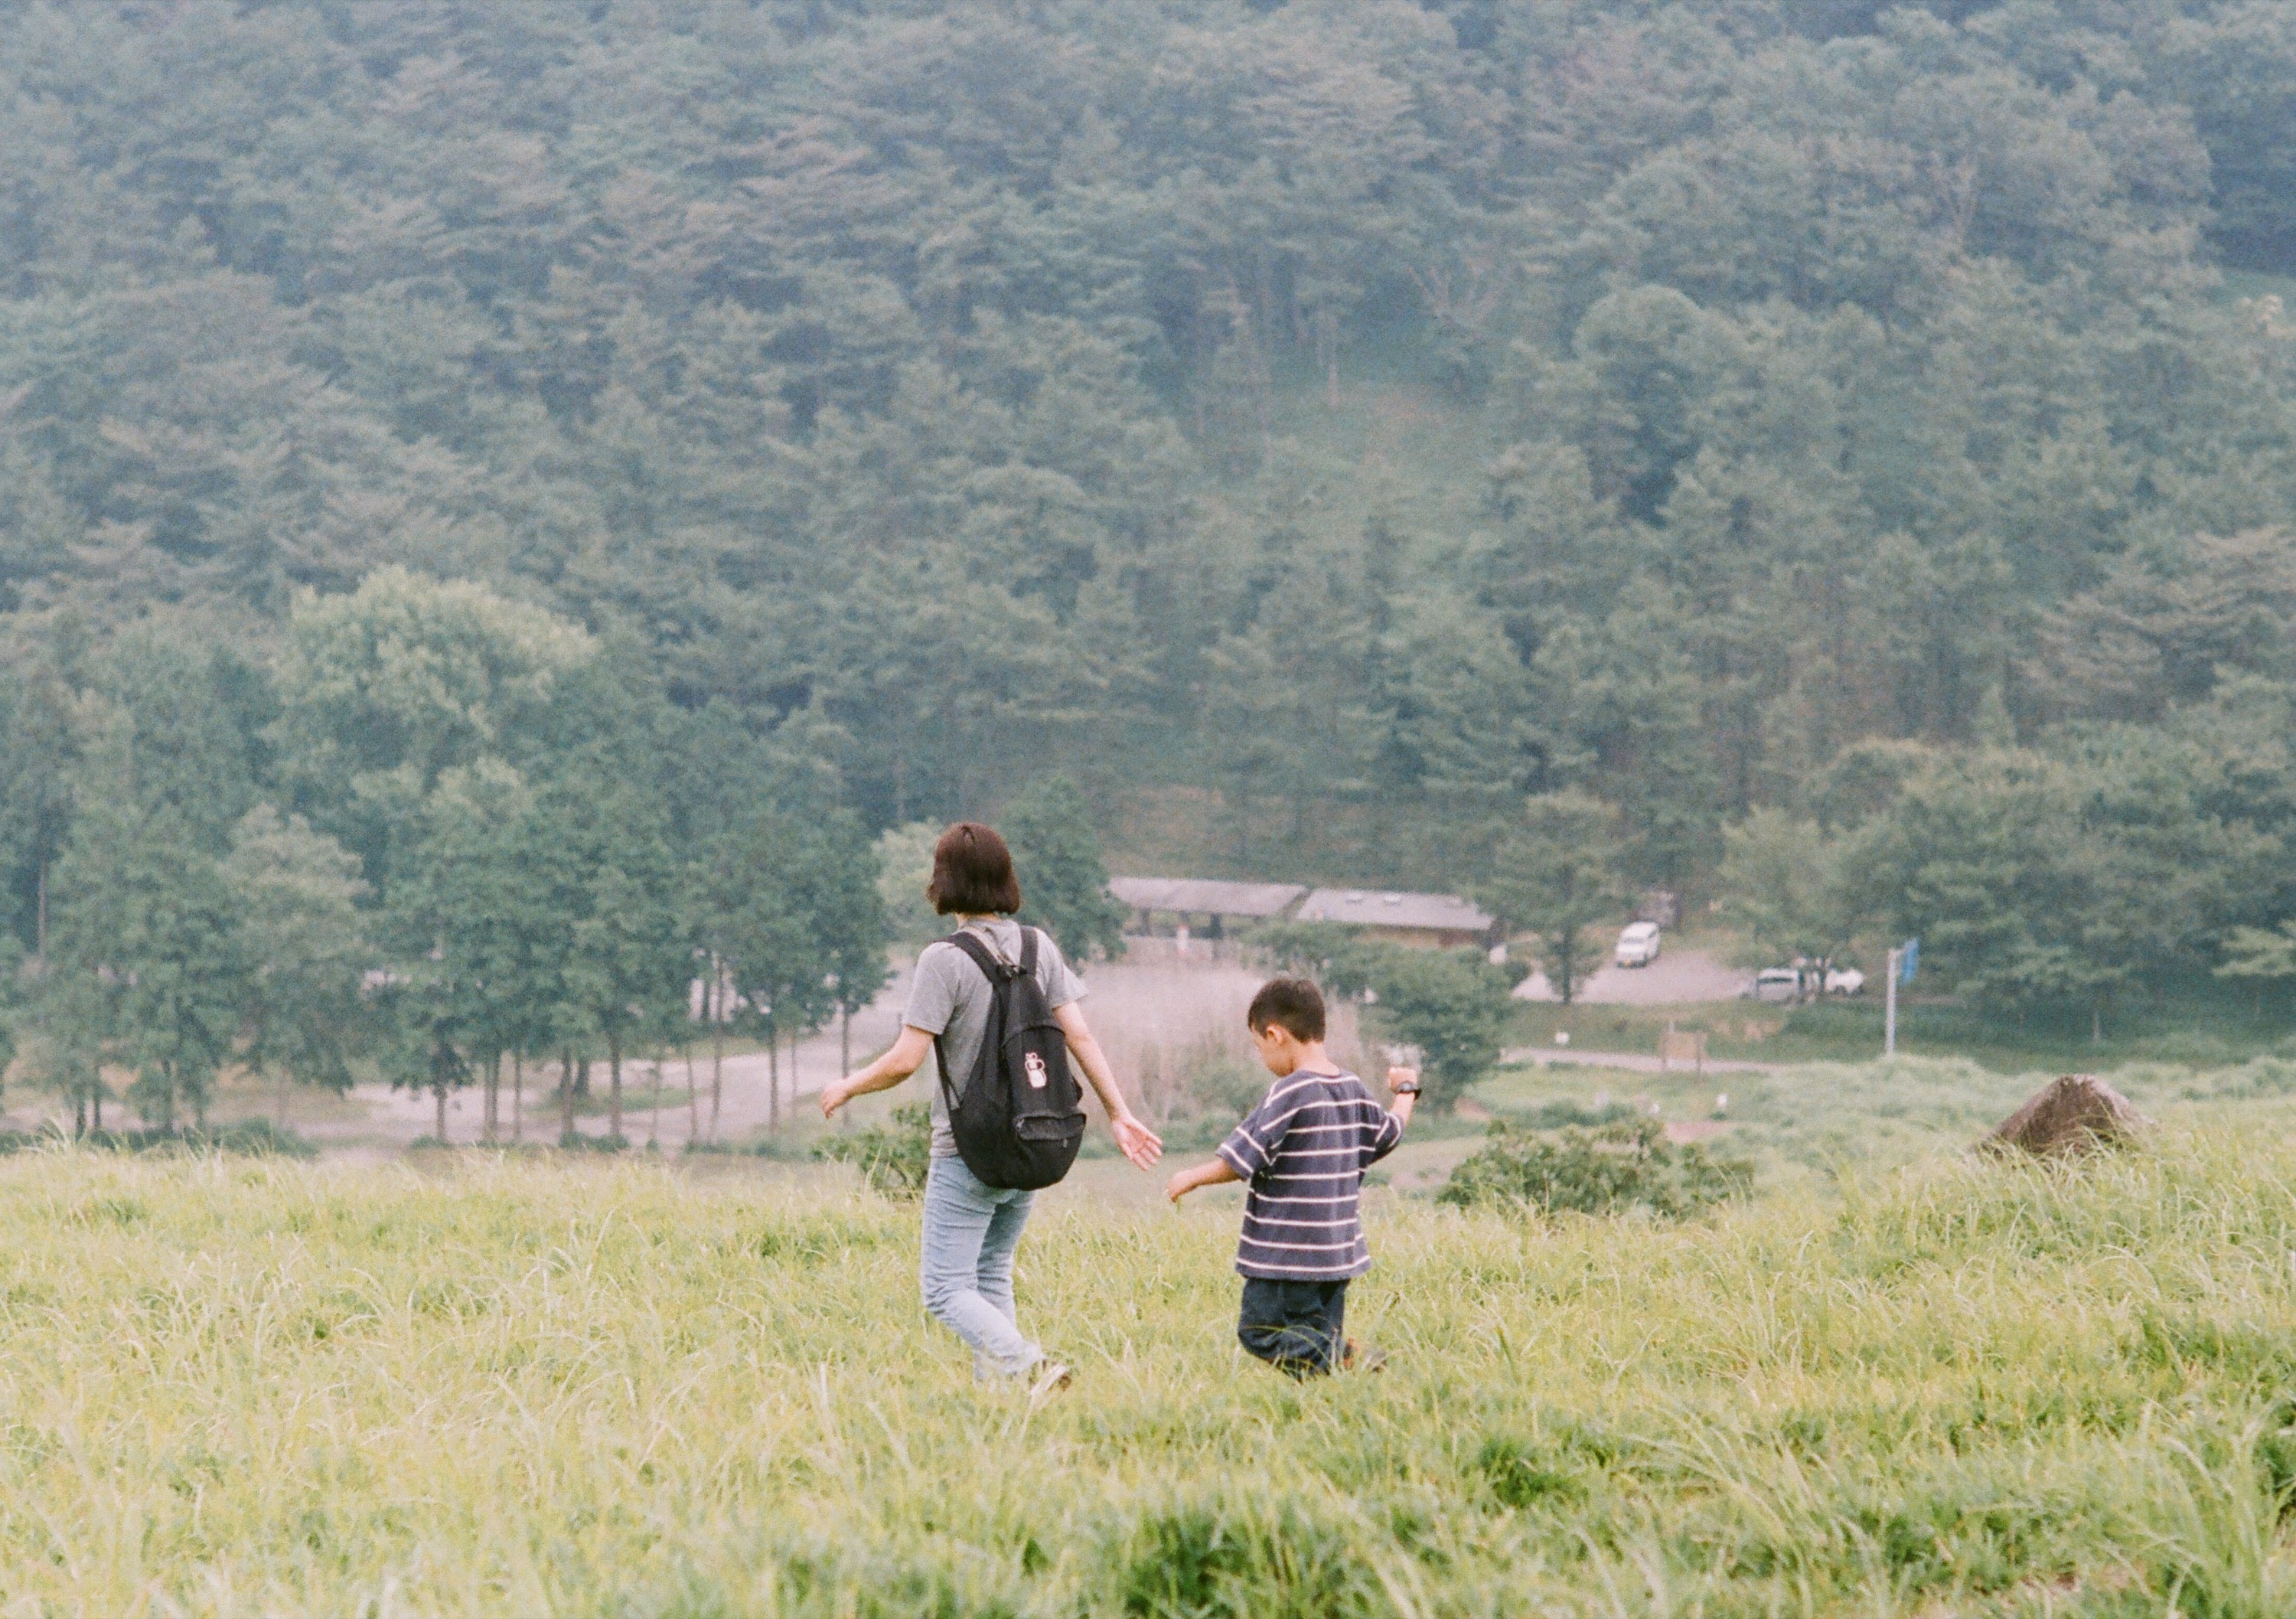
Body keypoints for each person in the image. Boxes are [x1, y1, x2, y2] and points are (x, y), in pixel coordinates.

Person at [820, 822, 1162, 1389]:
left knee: (944, 1288)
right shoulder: (1038, 946)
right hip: (1033, 1134)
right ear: (1005, 877)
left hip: (969, 1148)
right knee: (990, 1272)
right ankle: (999, 1401)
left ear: (943, 881)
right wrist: (1120, 1113)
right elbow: (1079, 1035)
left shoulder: (943, 960)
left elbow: (906, 1060)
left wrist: (849, 1085)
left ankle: (1027, 1365)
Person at [1165, 976, 1419, 1376]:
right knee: (1310, 1347)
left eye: (1259, 1047)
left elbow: (1244, 1157)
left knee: (1261, 1334)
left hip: (1288, 1255)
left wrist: (1192, 1176)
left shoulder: (1289, 1091)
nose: (1263, 1057)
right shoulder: (1351, 1087)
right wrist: (1405, 1090)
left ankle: (1352, 1358)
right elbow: (1389, 1133)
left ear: (1275, 1035)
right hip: (1337, 1254)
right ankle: (1329, 1388)